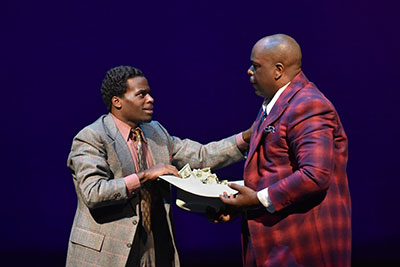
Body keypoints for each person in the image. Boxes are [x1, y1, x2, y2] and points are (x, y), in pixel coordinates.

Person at [66, 65, 251, 267]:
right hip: (108, 254)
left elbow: (201, 156)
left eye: (150, 93)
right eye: (141, 94)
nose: (150, 99)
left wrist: (247, 138)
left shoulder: (155, 132)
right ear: (117, 102)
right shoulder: (92, 137)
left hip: (154, 248)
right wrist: (145, 176)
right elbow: (93, 192)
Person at [217, 34, 351, 266]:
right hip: (276, 241)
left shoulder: (308, 104)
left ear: (278, 70)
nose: (249, 71)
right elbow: (275, 170)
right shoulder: (276, 103)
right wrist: (241, 203)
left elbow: (315, 175)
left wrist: (257, 199)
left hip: (301, 245)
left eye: (256, 66)